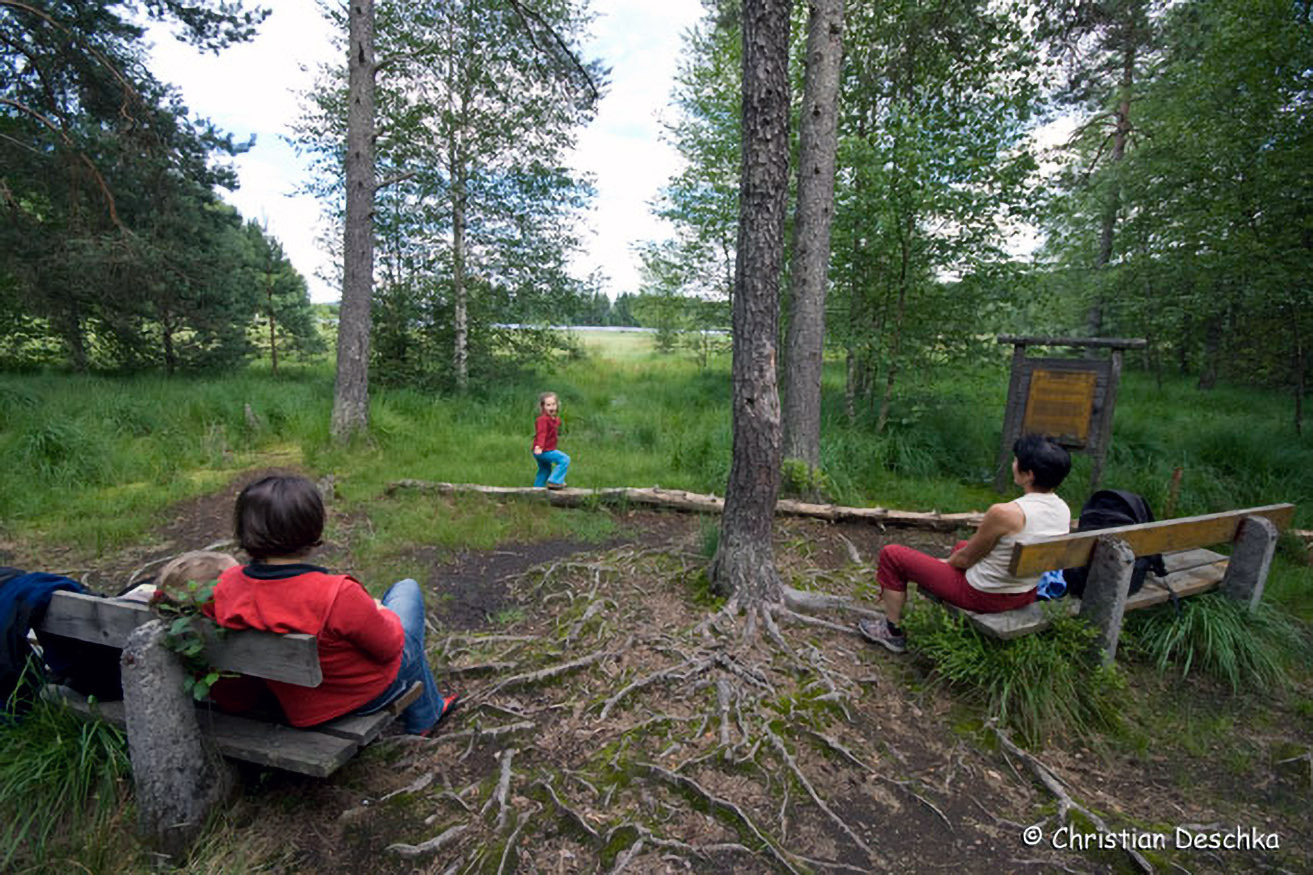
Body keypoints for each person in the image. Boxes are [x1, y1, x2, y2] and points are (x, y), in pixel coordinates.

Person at [205, 475, 458, 734]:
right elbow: (391, 647)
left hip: (296, 703)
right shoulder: (336, 595)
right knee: (406, 591)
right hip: (360, 697)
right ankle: (428, 715)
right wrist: (381, 611)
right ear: (312, 525)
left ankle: (428, 711)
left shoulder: (224, 587)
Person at [858, 433, 1073, 653]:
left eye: (1016, 460)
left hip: (984, 596)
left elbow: (965, 559)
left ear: (1029, 475)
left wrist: (945, 564)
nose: (1013, 464)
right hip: (1024, 592)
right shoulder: (1063, 510)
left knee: (892, 555)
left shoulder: (1006, 513)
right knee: (962, 545)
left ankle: (892, 632)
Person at [532, 391, 570, 490]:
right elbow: (541, 433)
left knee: (545, 469)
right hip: (543, 450)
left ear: (557, 405)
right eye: (548, 405)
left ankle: (537, 488)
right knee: (564, 459)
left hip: (543, 450)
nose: (551, 407)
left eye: (553, 404)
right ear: (543, 407)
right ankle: (555, 481)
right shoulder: (542, 420)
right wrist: (539, 446)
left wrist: (555, 421)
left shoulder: (553, 419)